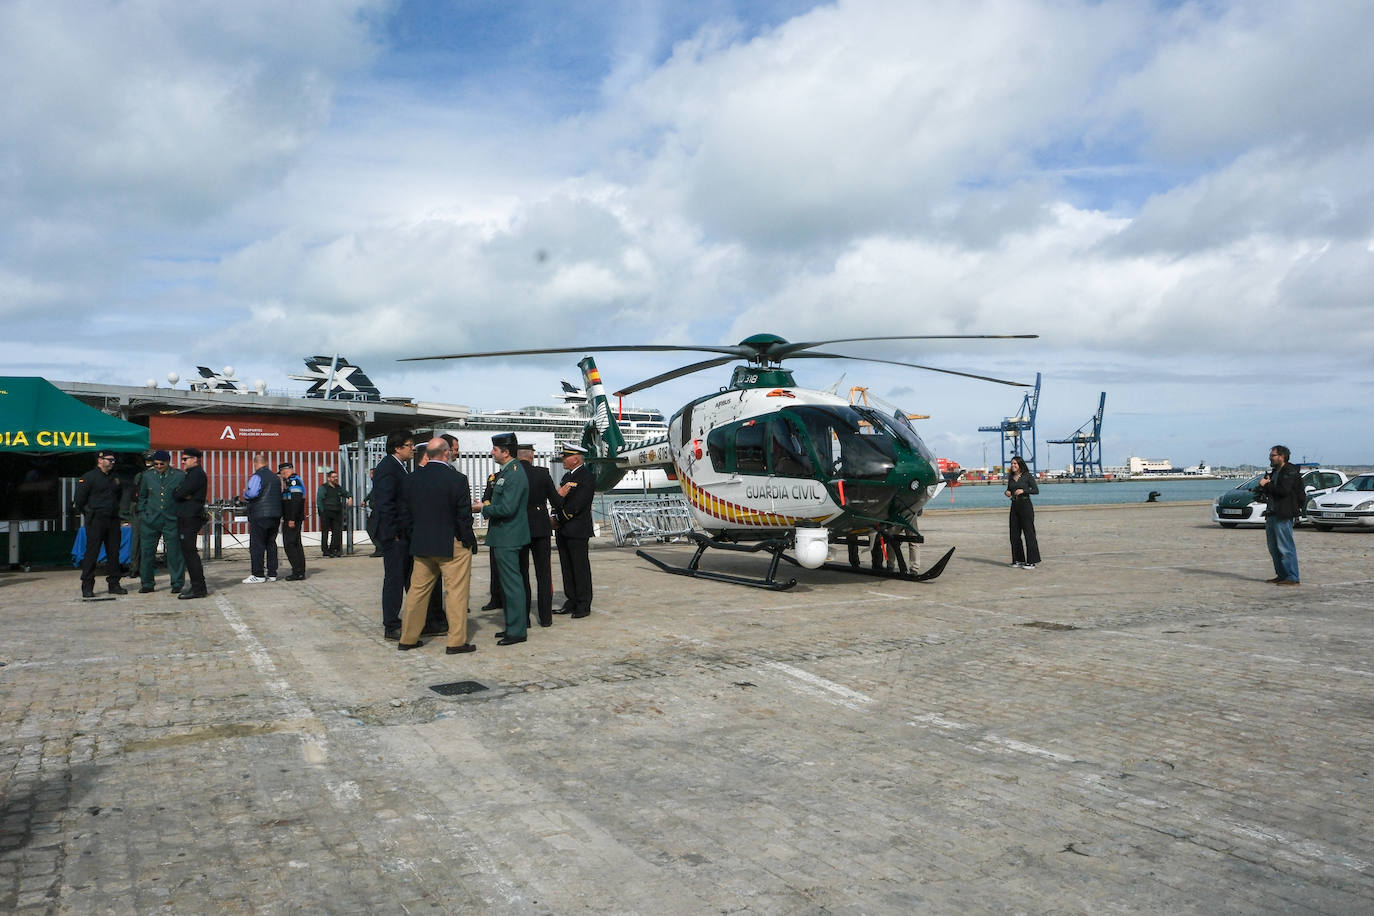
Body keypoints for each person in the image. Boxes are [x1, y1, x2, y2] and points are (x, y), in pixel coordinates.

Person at [396, 437, 478, 653]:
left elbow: (405, 515)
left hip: (422, 543)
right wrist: (466, 540)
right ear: (446, 453)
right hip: (451, 543)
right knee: (456, 592)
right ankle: (456, 642)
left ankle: (408, 638)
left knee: (417, 592)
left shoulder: (411, 479)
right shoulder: (457, 479)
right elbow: (464, 516)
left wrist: (415, 535)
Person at [477, 433, 529, 645]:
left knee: (512, 585)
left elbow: (508, 508)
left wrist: (484, 508)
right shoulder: (507, 471)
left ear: (506, 452)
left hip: (509, 535)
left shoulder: (514, 473)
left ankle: (516, 631)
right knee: (508, 585)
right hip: (504, 535)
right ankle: (511, 625)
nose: (492, 452)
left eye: (495, 450)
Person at [373, 430, 415, 639]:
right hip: (395, 535)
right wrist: (394, 533)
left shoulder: (399, 467)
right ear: (398, 448)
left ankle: (413, 618)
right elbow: (385, 504)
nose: (413, 448)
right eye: (409, 445)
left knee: (405, 577)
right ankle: (391, 624)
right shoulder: (389, 469)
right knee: (395, 579)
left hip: (403, 532)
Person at [73, 449, 127, 598]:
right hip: (96, 519)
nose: (112, 463)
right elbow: (79, 500)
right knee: (92, 553)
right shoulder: (89, 477)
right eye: (109, 460)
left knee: (114, 553)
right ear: (100, 460)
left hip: (112, 519)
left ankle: (114, 584)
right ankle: (87, 586)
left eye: (113, 460)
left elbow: (118, 495)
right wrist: (89, 513)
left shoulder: (114, 478)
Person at [518, 443, 560, 628]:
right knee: (544, 575)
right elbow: (556, 501)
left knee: (522, 574)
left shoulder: (511, 474)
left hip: (519, 527)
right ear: (531, 456)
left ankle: (524, 619)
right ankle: (546, 618)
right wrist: (562, 495)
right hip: (541, 527)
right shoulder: (542, 473)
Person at [553, 443, 595, 618]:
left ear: (575, 458)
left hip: (577, 530)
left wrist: (558, 518)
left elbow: (577, 505)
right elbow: (558, 499)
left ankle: (583, 604)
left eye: (566, 456)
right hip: (563, 530)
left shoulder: (586, 477)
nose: (563, 459)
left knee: (580, 568)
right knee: (567, 568)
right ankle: (571, 600)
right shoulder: (565, 478)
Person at [138, 450, 186, 593]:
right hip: (150, 520)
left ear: (168, 462)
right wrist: (143, 513)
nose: (158, 466)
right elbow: (142, 496)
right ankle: (147, 583)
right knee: (147, 552)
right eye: (156, 463)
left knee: (174, 553)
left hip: (171, 519)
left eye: (162, 464)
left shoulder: (179, 476)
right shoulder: (147, 476)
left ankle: (177, 582)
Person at [1257, 444, 1302, 586]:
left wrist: (1266, 485)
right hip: (1272, 513)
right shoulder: (1275, 472)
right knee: (1274, 547)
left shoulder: (1289, 471)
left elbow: (1284, 490)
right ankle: (1281, 575)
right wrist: (1262, 489)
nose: (1270, 458)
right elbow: (1271, 490)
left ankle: (1292, 577)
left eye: (1273, 455)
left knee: (1285, 546)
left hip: (1283, 513)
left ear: (1281, 456)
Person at [172, 447, 208, 599]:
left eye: (185, 459)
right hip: (187, 516)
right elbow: (178, 493)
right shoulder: (191, 474)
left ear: (194, 459)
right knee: (188, 553)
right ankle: (196, 585)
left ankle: (198, 588)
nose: (183, 462)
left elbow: (179, 493)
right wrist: (179, 493)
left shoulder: (197, 474)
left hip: (190, 517)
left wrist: (180, 493)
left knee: (190, 553)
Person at [241, 452, 282, 583]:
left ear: (255, 464)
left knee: (257, 545)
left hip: (260, 515)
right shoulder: (276, 478)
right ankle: (272, 573)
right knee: (271, 543)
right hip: (275, 515)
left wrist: (245, 493)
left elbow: (252, 493)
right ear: (266, 463)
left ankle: (258, 574)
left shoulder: (257, 476)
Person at [1005, 455, 1041, 569]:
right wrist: (1007, 492)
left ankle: (1031, 561)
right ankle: (1018, 559)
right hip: (1014, 506)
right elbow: (1009, 489)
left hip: (1025, 506)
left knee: (1029, 533)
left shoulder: (1027, 476)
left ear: (1020, 464)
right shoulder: (1011, 477)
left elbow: (1036, 490)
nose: (1013, 465)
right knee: (1014, 534)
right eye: (1012, 464)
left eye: (1015, 463)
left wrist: (1023, 491)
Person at [479, 467, 503, 612]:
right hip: (495, 525)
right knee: (494, 564)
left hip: (509, 524)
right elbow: (486, 497)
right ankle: (496, 598)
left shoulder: (516, 475)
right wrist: (490, 510)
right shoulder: (493, 477)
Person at [278, 462, 307, 581]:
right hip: (292, 518)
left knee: (290, 544)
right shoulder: (292, 481)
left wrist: (291, 519)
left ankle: (297, 571)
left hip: (292, 519)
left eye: (282, 473)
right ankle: (299, 571)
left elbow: (296, 501)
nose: (282, 476)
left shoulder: (293, 481)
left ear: (285, 471)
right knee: (296, 544)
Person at [316, 469, 351, 558]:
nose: (335, 478)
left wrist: (350, 497)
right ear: (328, 478)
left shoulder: (338, 487)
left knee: (336, 532)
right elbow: (319, 500)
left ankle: (333, 549)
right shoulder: (323, 487)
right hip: (326, 512)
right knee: (325, 532)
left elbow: (346, 493)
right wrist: (322, 512)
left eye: (336, 477)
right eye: (333, 477)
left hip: (337, 512)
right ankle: (325, 550)